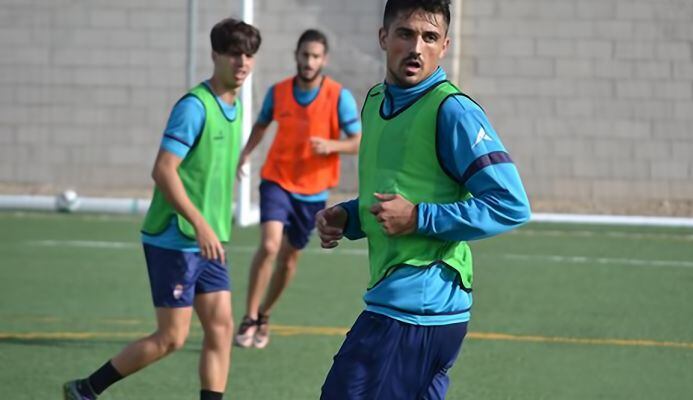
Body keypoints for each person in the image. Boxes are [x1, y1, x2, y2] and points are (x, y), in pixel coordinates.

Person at [314, 0, 531, 398]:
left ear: (444, 45)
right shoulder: (376, 102)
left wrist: (420, 218)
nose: (417, 47)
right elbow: (399, 195)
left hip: (417, 309)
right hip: (411, 308)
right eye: (405, 34)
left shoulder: (454, 112)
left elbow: (510, 203)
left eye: (429, 37)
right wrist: (349, 217)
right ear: (383, 37)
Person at [62, 18, 261, 400]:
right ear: (215, 55)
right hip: (176, 237)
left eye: (249, 55)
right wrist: (200, 223)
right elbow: (163, 170)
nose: (242, 63)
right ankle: (86, 389)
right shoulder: (194, 107)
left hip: (210, 239)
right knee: (172, 337)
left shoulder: (235, 107)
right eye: (234, 53)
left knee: (220, 328)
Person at [234, 29, 361, 349]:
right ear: (296, 56)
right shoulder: (279, 92)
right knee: (270, 245)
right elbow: (262, 124)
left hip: (313, 190)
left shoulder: (338, 96)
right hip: (277, 180)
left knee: (289, 260)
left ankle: (264, 314)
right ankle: (248, 316)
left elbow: (359, 141)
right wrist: (246, 152)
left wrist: (331, 144)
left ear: (324, 59)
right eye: (304, 55)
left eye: (315, 56)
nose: (309, 61)